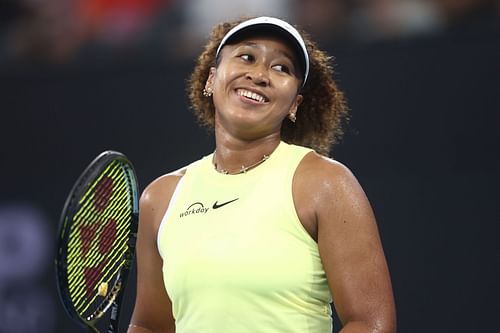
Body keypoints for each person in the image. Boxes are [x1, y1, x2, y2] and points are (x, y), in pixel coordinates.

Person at [127, 16, 396, 333]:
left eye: (281, 68)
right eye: (247, 57)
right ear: (211, 79)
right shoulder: (160, 199)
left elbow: (370, 324)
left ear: (294, 104)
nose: (259, 75)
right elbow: (151, 325)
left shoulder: (325, 183)